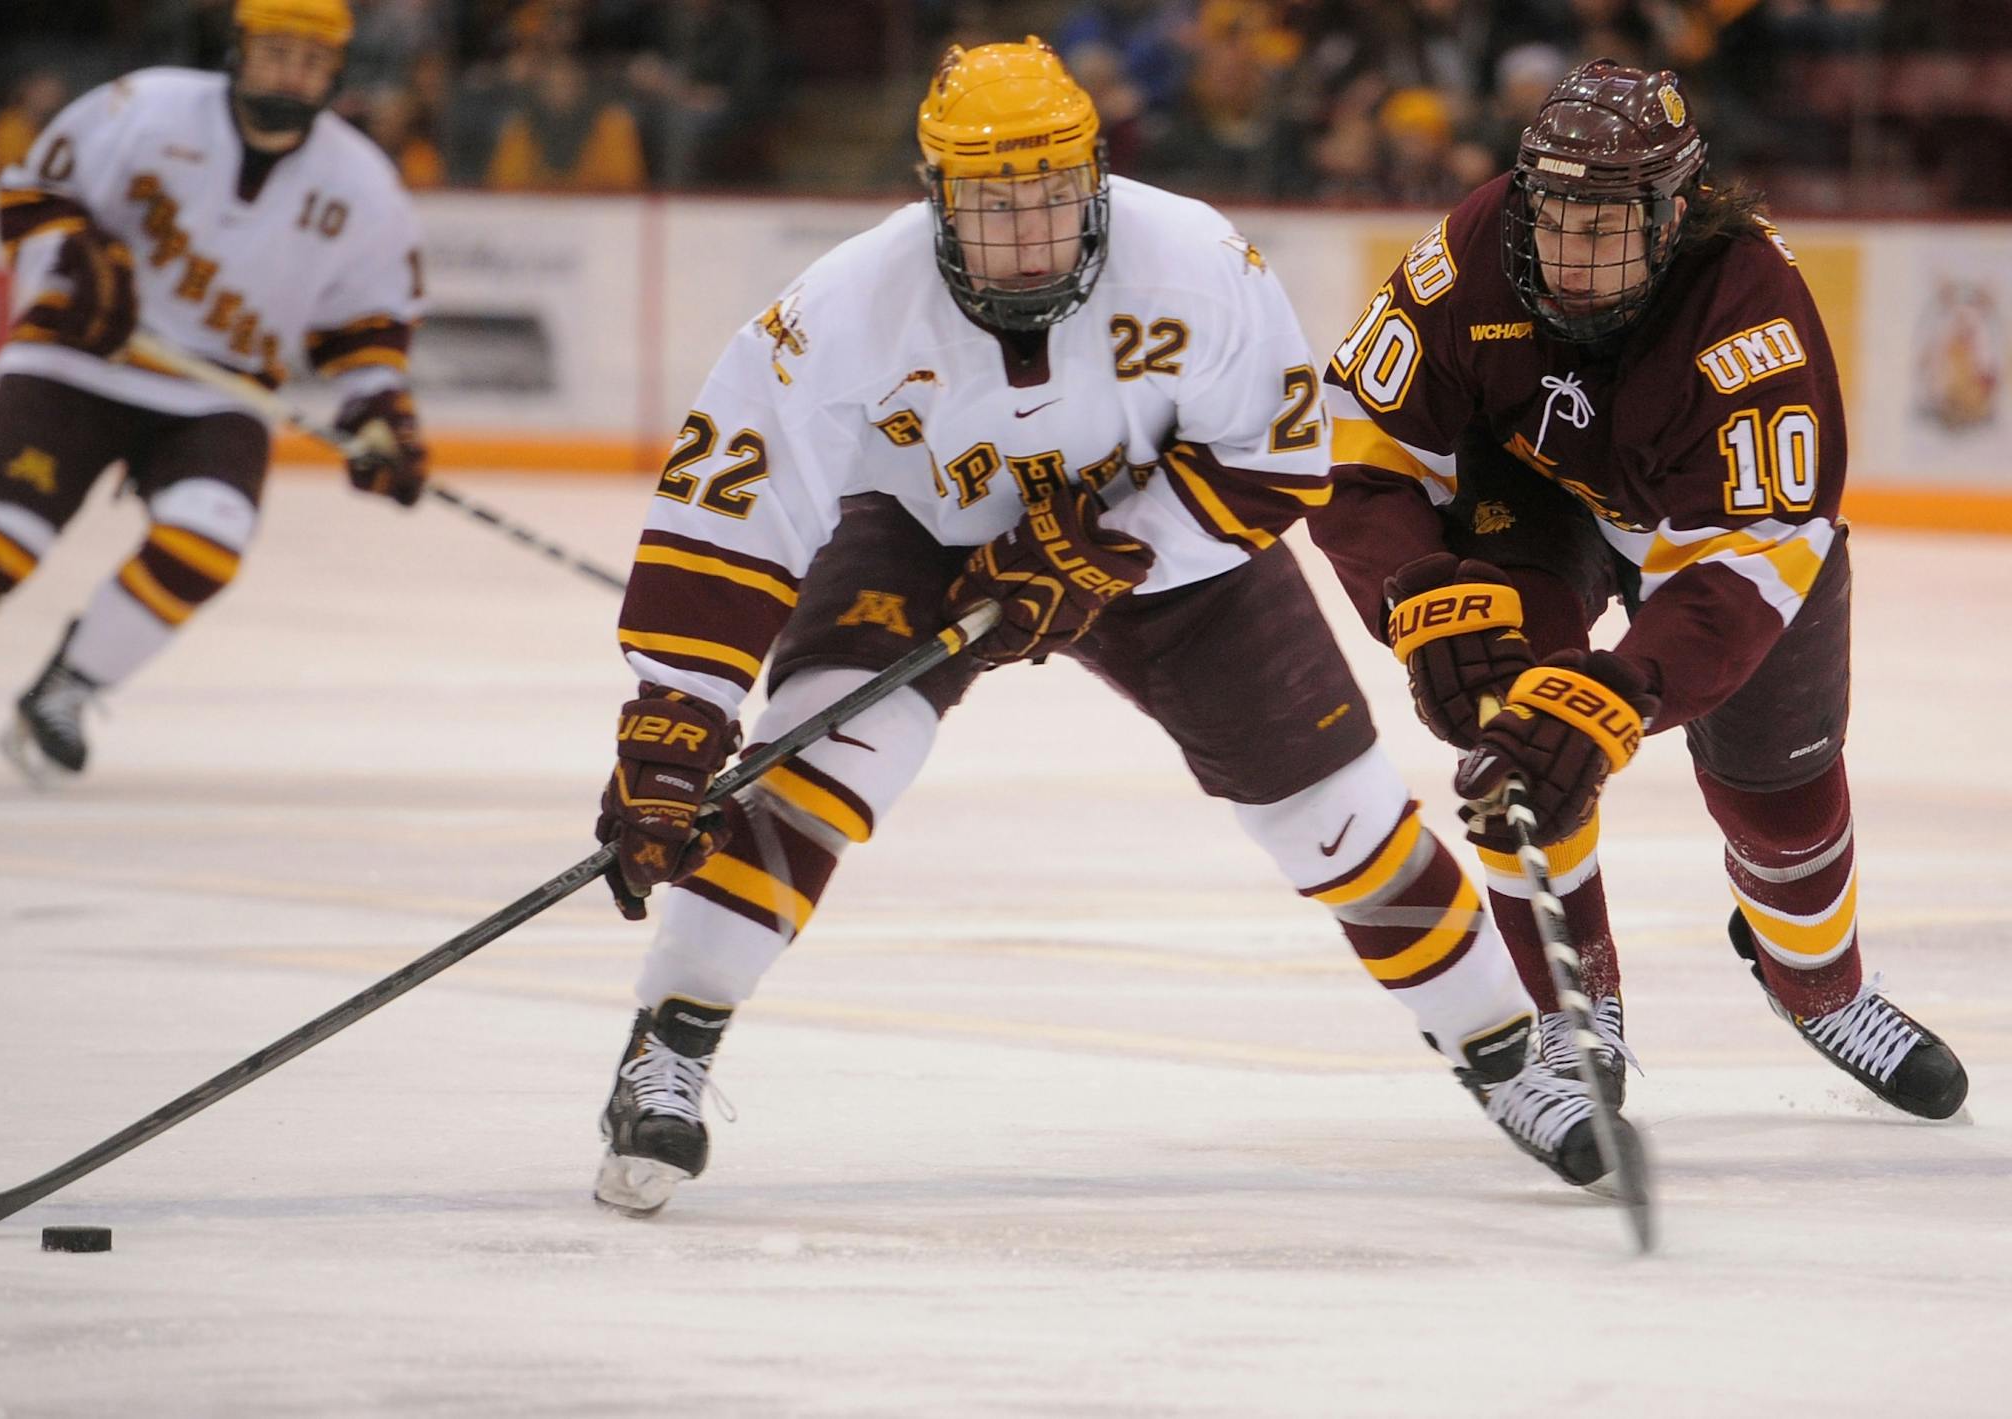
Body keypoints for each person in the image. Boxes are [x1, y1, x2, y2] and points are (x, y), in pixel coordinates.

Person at [585, 37, 1634, 1218]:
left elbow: (1280, 463)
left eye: (1050, 194)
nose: (1030, 232)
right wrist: (678, 712)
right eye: (994, 204)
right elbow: (728, 516)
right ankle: (669, 1046)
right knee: (824, 759)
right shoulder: (840, 308)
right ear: (936, 198)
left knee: (1338, 818)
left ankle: (1505, 1058)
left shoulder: (1196, 260)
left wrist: (1106, 550)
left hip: (1169, 543)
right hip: (923, 534)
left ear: (1094, 176)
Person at [1309, 59, 1968, 1121]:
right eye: (1552, 218)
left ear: (1674, 216)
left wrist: (1621, 694)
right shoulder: (1474, 246)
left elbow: (1752, 560)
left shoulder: (1751, 314)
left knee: (1783, 800)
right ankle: (1573, 1008)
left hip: (1716, 543)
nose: (1569, 254)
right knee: (1515, 737)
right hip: (1531, 496)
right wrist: (1416, 592)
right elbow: (1359, 436)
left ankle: (1820, 986)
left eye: (1604, 225)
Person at [0, 0, 429, 785]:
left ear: (336, 72)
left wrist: (381, 411)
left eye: (311, 59)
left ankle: (67, 687)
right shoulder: (147, 108)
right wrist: (73, 261)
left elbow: (367, 327)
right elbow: (34, 194)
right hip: (78, 362)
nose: (291, 73)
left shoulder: (364, 186)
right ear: (240, 49)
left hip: (217, 394)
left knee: (209, 537)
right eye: (277, 52)